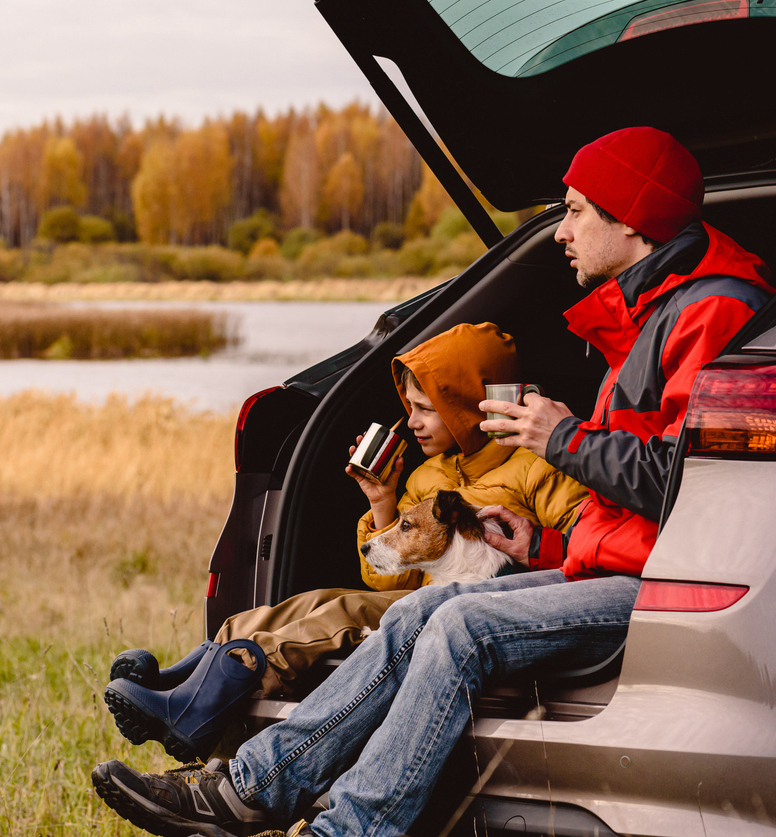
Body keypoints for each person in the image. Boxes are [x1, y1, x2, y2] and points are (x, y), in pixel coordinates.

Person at [92, 127, 773, 837]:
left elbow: (693, 486)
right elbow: (637, 504)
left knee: (461, 623)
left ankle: (348, 829)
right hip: (614, 567)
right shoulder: (652, 312)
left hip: (670, 587)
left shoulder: (713, 311)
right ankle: (246, 789)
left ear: (630, 216)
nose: (560, 232)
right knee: (412, 613)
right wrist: (542, 544)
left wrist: (562, 437)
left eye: (575, 210)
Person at [102, 321, 588, 764]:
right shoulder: (427, 476)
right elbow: (385, 573)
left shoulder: (535, 465)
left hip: (477, 605)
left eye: (426, 409)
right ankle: (183, 681)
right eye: (410, 409)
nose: (413, 422)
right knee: (310, 602)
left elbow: (582, 540)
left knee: (345, 614)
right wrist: (383, 502)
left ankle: (196, 710)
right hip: (419, 597)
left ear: (465, 405)